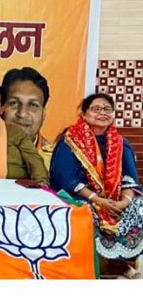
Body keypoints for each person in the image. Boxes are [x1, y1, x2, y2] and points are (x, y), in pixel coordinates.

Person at [50, 93, 143, 279]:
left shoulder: (120, 143)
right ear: (84, 114)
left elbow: (129, 178)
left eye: (107, 109)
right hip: (81, 196)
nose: (102, 113)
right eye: (96, 109)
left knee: (139, 207)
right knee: (84, 211)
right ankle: (90, 265)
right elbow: (66, 179)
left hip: (115, 199)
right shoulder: (70, 141)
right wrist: (97, 199)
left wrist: (124, 201)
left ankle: (119, 263)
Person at [1, 67, 51, 148]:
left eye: (32, 105)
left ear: (44, 113)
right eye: (14, 103)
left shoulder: (54, 159)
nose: (22, 114)